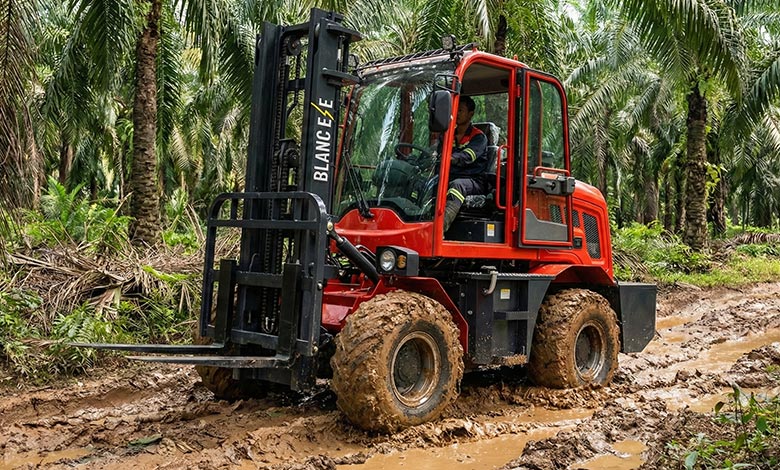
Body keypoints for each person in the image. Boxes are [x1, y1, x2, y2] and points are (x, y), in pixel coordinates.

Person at [442, 95, 489, 232]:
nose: (456, 113)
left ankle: (440, 228)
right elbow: (435, 152)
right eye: (455, 109)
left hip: (474, 180)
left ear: (470, 114)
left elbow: (468, 156)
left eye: (460, 110)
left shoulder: (479, 137)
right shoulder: (448, 135)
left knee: (457, 185)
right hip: (451, 176)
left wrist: (450, 158)